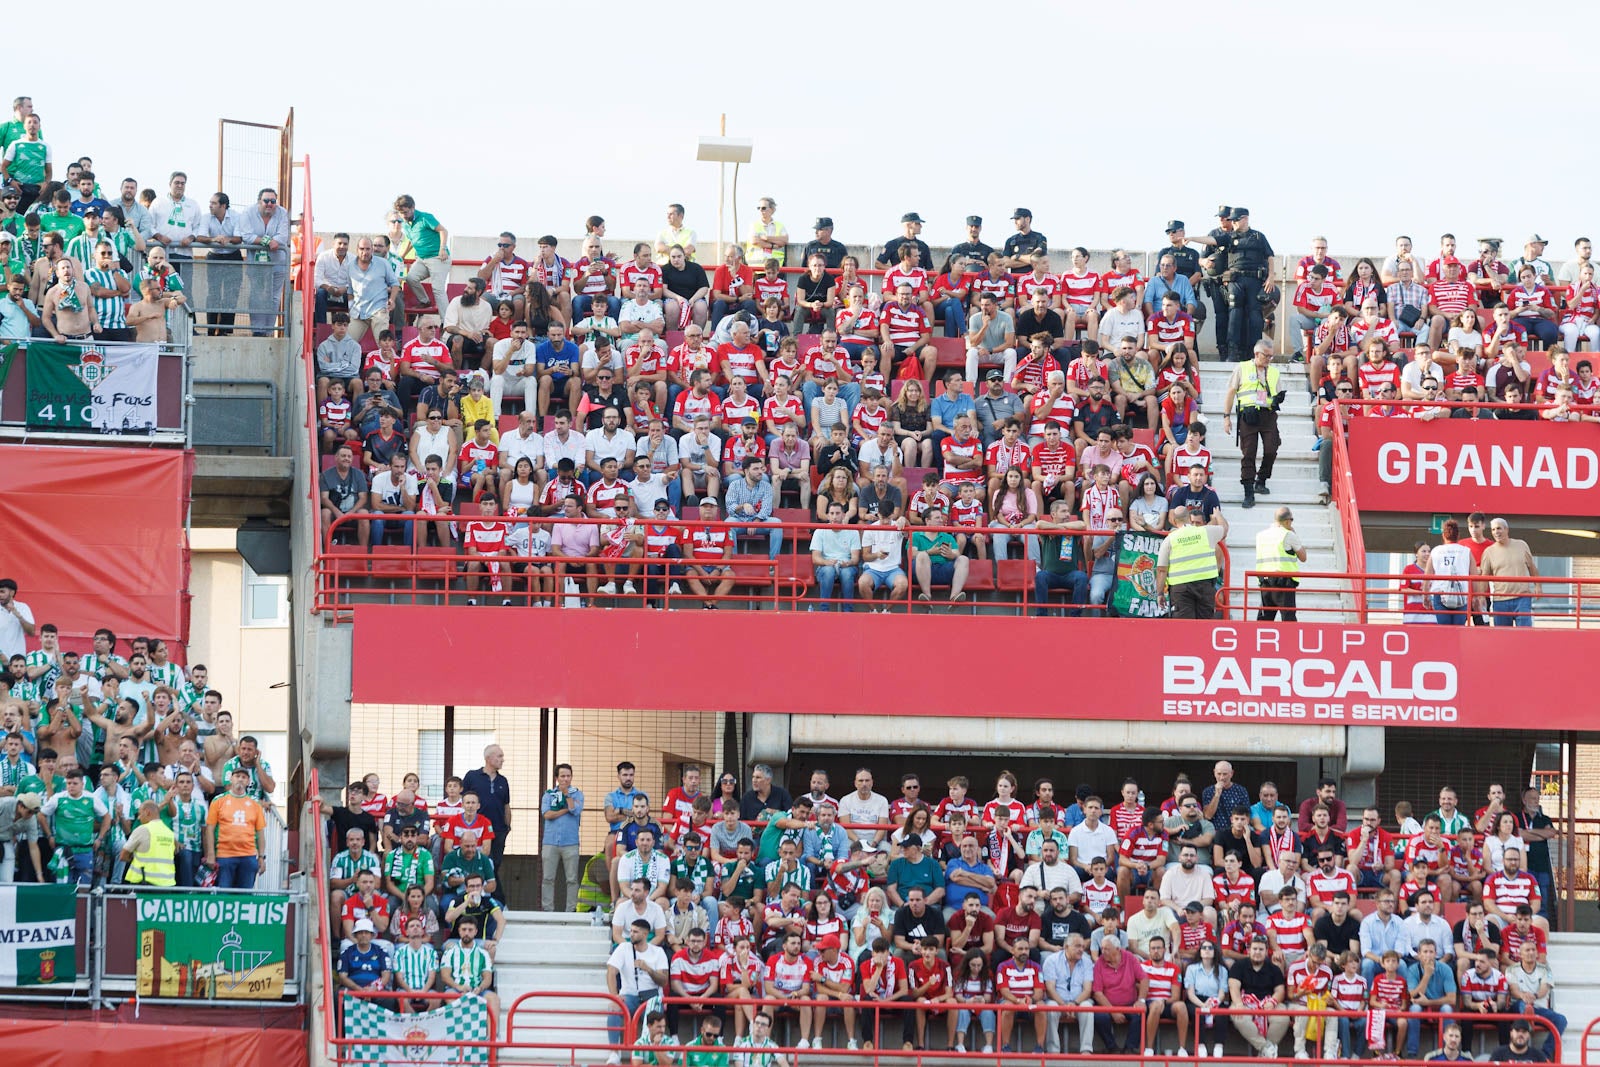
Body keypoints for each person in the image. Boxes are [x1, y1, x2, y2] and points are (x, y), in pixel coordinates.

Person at [1220, 340, 1284, 507]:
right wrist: (1226, 417)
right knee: (1249, 452)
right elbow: (1231, 392)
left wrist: (1278, 399)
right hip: (1248, 415)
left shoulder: (1274, 372)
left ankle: (1261, 479)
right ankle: (1248, 491)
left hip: (1268, 414)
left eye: (1271, 356)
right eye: (1266, 356)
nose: (1269, 359)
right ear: (1256, 354)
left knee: (1271, 449)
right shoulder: (1242, 368)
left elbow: (1278, 393)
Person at [606, 918, 670, 1061]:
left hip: (651, 997)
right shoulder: (623, 948)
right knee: (613, 1008)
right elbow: (611, 971)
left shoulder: (658, 952)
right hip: (629, 996)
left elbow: (664, 981)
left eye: (635, 932)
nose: (631, 934)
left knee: (653, 1020)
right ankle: (614, 1053)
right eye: (631, 931)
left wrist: (649, 969)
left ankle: (645, 1055)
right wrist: (614, 995)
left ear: (645, 934)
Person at [1155, 505, 1228, 619]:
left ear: (1174, 521)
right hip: (1205, 585)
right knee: (1204, 624)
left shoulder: (1170, 539)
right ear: (1189, 518)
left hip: (1180, 588)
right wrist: (1218, 516)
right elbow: (1224, 529)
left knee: (1184, 626)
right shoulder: (1206, 531)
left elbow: (1161, 570)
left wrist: (1160, 593)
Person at [1228, 935, 1289, 1058]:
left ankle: (1265, 1053)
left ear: (1266, 952)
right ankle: (1265, 1047)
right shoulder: (1239, 966)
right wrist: (1239, 1004)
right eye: (1254, 949)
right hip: (1244, 1001)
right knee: (1238, 1015)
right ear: (1249, 950)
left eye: (1261, 949)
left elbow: (1280, 990)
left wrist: (1273, 1001)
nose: (1257, 952)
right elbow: (1234, 987)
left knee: (1283, 1017)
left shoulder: (1274, 969)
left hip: (1268, 1002)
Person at [204, 767, 266, 888]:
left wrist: (261, 857)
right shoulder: (218, 800)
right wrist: (210, 854)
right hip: (224, 855)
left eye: (244, 777)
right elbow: (210, 829)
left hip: (248, 855)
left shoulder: (255, 804)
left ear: (248, 782)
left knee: (245, 894)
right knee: (223, 893)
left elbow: (260, 832)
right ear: (231, 779)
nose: (240, 779)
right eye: (237, 776)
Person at [540, 762, 583, 912]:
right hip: (550, 842)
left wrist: (567, 795)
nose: (566, 779)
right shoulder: (548, 794)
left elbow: (574, 810)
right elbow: (547, 814)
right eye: (562, 776)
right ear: (556, 778)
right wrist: (565, 810)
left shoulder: (577, 794)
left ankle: (570, 910)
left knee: (572, 879)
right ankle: (547, 910)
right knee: (547, 878)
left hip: (571, 842)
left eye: (568, 776)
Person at [463, 745, 511, 870]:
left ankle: (492, 883)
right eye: (499, 756)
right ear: (488, 758)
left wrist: (507, 827)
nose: (502, 759)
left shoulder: (503, 780)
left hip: (498, 829)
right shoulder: (472, 776)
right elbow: (462, 800)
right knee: (480, 861)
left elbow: (506, 805)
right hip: (477, 828)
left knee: (496, 863)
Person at [1254, 507, 1306, 622]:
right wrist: (1294, 534)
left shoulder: (1260, 535)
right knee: (1288, 620)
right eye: (1291, 520)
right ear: (1287, 521)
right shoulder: (1288, 534)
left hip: (1265, 581)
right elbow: (1303, 557)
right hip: (1283, 583)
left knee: (1264, 620)